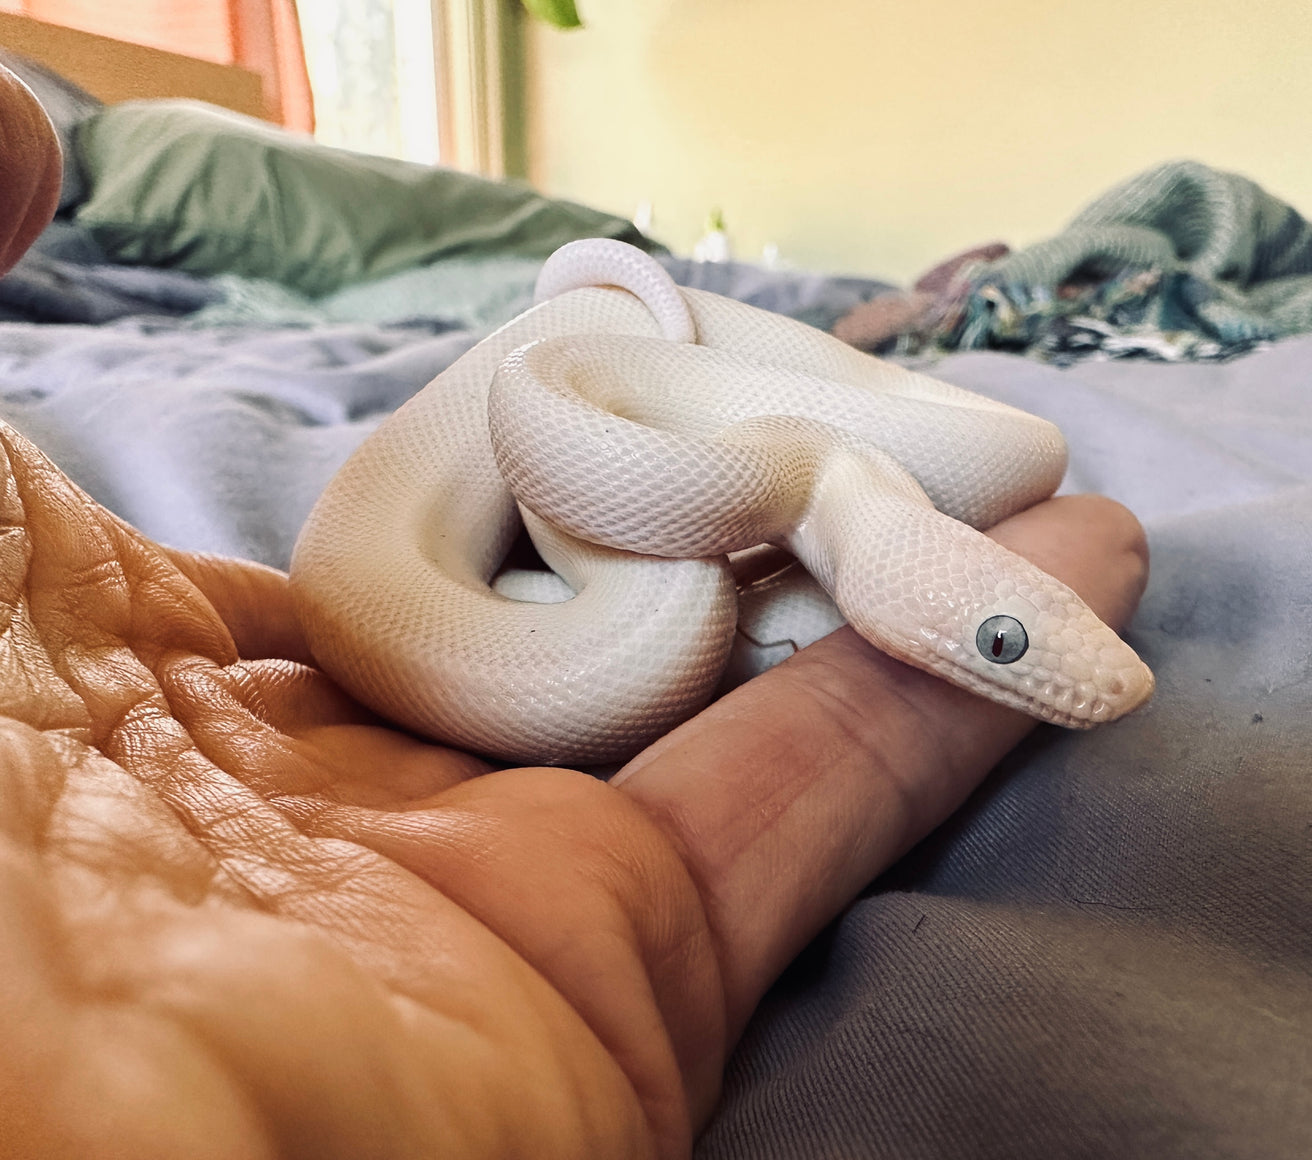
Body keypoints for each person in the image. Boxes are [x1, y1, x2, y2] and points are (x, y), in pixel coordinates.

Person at [0, 66, 1149, 1158]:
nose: (1015, 654)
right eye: (999, 641)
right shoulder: (703, 452)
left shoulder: (824, 473)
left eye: (1006, 632)